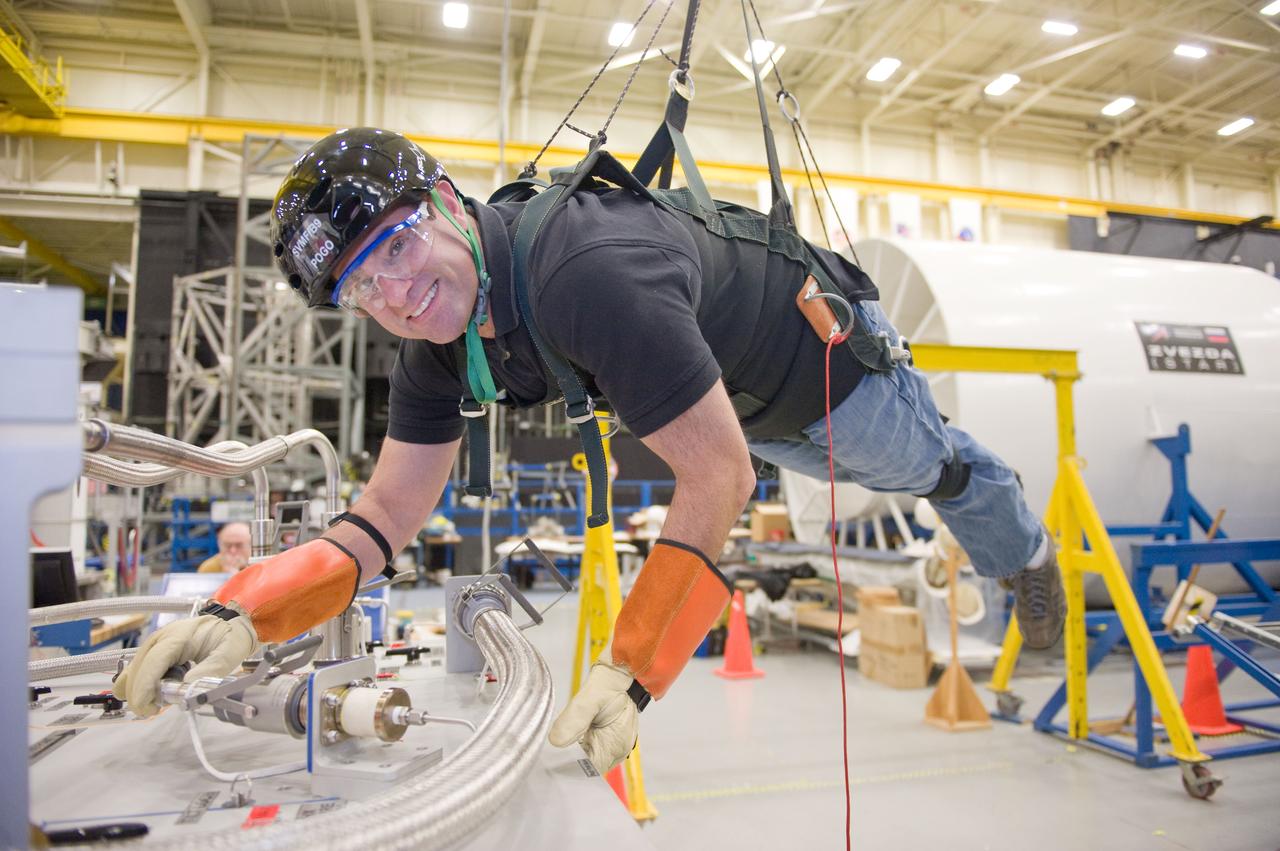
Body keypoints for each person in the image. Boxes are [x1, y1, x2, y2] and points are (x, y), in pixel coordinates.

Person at [115, 128, 1064, 769]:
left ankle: (1024, 551)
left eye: (397, 249)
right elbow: (388, 516)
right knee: (833, 472)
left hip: (823, 370)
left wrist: (635, 667)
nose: (393, 296)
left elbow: (717, 476)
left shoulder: (582, 274)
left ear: (446, 202)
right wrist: (246, 605)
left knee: (929, 470)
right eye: (361, 287)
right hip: (749, 413)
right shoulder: (436, 345)